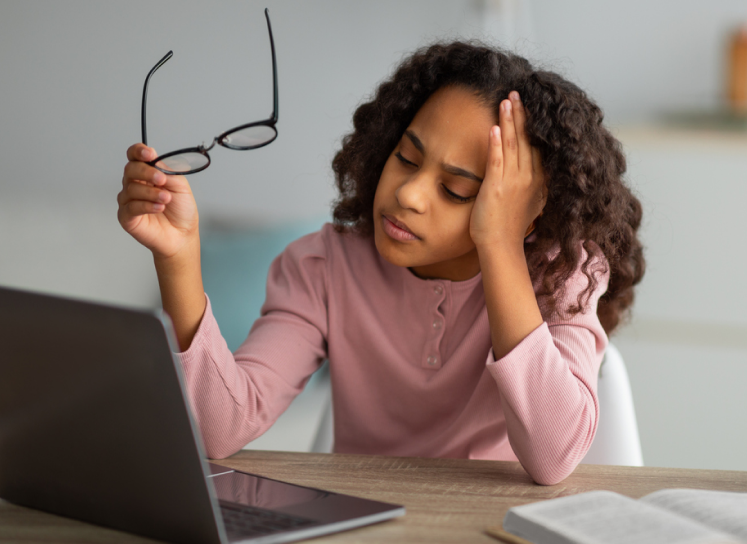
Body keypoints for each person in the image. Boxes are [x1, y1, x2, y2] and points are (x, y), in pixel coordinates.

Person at [117, 41, 644, 485]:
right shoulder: (324, 267)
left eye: (456, 189)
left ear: (522, 212)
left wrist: (501, 246)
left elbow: (553, 458)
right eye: (407, 158)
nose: (409, 194)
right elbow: (220, 427)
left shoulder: (564, 274)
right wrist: (180, 257)